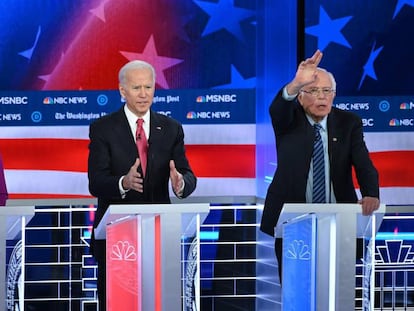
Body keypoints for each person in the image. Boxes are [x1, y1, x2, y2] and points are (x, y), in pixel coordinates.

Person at [260, 49, 380, 282]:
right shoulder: (288, 120)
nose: (322, 97)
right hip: (292, 222)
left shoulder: (349, 123)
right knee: (297, 287)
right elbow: (278, 108)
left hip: (339, 220)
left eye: (327, 91)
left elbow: (363, 162)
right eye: (313, 91)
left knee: (338, 286)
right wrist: (296, 83)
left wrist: (371, 193)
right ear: (301, 97)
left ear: (334, 95)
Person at [87, 60, 197, 311]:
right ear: (122, 91)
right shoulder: (103, 129)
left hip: (159, 236)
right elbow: (96, 182)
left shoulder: (171, 128)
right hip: (116, 237)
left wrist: (180, 184)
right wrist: (123, 183)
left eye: (149, 87)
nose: (144, 94)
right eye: (137, 88)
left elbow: (187, 175)